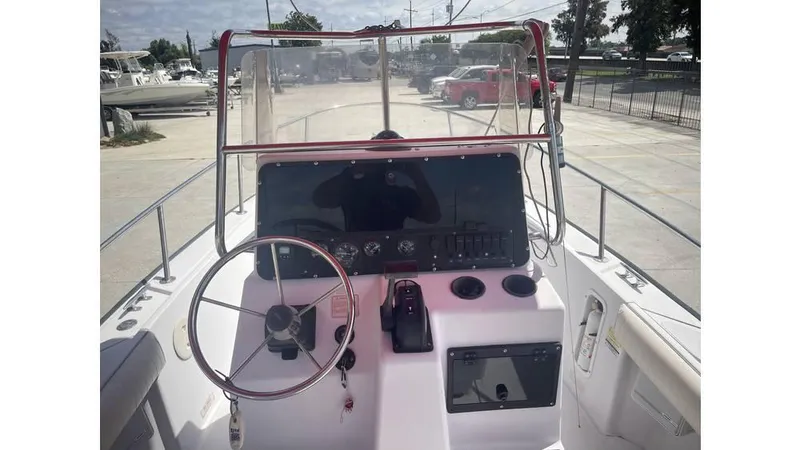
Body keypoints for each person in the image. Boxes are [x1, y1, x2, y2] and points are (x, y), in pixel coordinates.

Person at [312, 161, 440, 232]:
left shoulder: (402, 195)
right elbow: (320, 199)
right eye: (374, 163)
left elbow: (432, 216)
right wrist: (351, 171)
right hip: (354, 247)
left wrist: (416, 174)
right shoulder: (351, 189)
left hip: (396, 248)